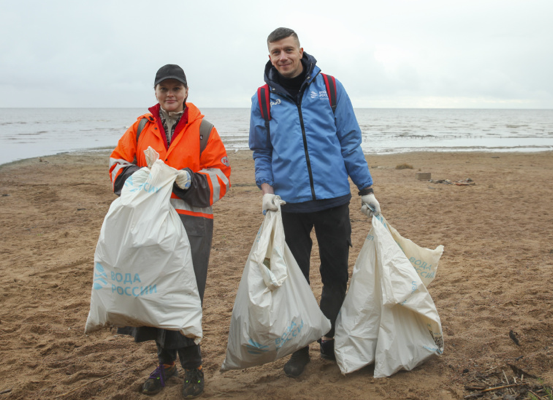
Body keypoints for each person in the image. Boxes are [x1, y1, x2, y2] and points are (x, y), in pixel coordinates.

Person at [248, 27, 380, 377]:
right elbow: (261, 150)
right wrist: (266, 191)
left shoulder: (331, 87)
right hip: (289, 205)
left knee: (335, 275)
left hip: (334, 199)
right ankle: (299, 346)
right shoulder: (262, 98)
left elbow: (349, 141)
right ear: (270, 56)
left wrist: (365, 188)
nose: (283, 57)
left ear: (301, 50)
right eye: (276, 52)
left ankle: (331, 338)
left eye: (288, 50)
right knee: (295, 280)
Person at [109, 64, 231, 397]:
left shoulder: (204, 129)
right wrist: (138, 174)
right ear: (156, 93)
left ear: (186, 92)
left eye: (176, 88)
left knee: (183, 296)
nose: (170, 94)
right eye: (164, 89)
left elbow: (221, 178)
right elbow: (116, 164)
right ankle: (165, 364)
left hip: (192, 225)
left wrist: (189, 179)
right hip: (147, 223)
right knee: (153, 293)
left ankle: (194, 367)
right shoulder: (139, 128)